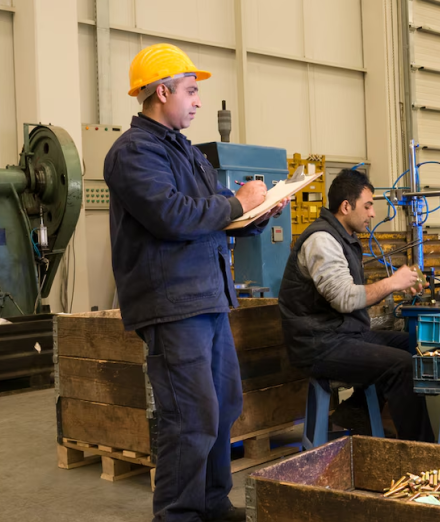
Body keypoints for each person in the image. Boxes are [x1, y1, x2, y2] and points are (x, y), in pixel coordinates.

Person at [104, 43, 289, 522]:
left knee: (223, 406)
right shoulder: (133, 152)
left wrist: (260, 212)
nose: (199, 101)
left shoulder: (185, 150)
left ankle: (211, 503)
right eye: (190, 91)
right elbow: (171, 215)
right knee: (190, 417)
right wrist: (238, 202)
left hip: (207, 299)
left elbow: (219, 215)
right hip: (172, 304)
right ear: (162, 92)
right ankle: (178, 514)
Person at [278, 169, 434, 442]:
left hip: (345, 333)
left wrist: (398, 283)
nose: (372, 213)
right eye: (368, 205)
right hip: (319, 344)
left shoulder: (343, 237)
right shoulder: (322, 240)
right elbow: (344, 298)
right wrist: (392, 283)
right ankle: (422, 453)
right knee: (402, 365)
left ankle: (356, 410)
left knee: (418, 344)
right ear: (346, 206)